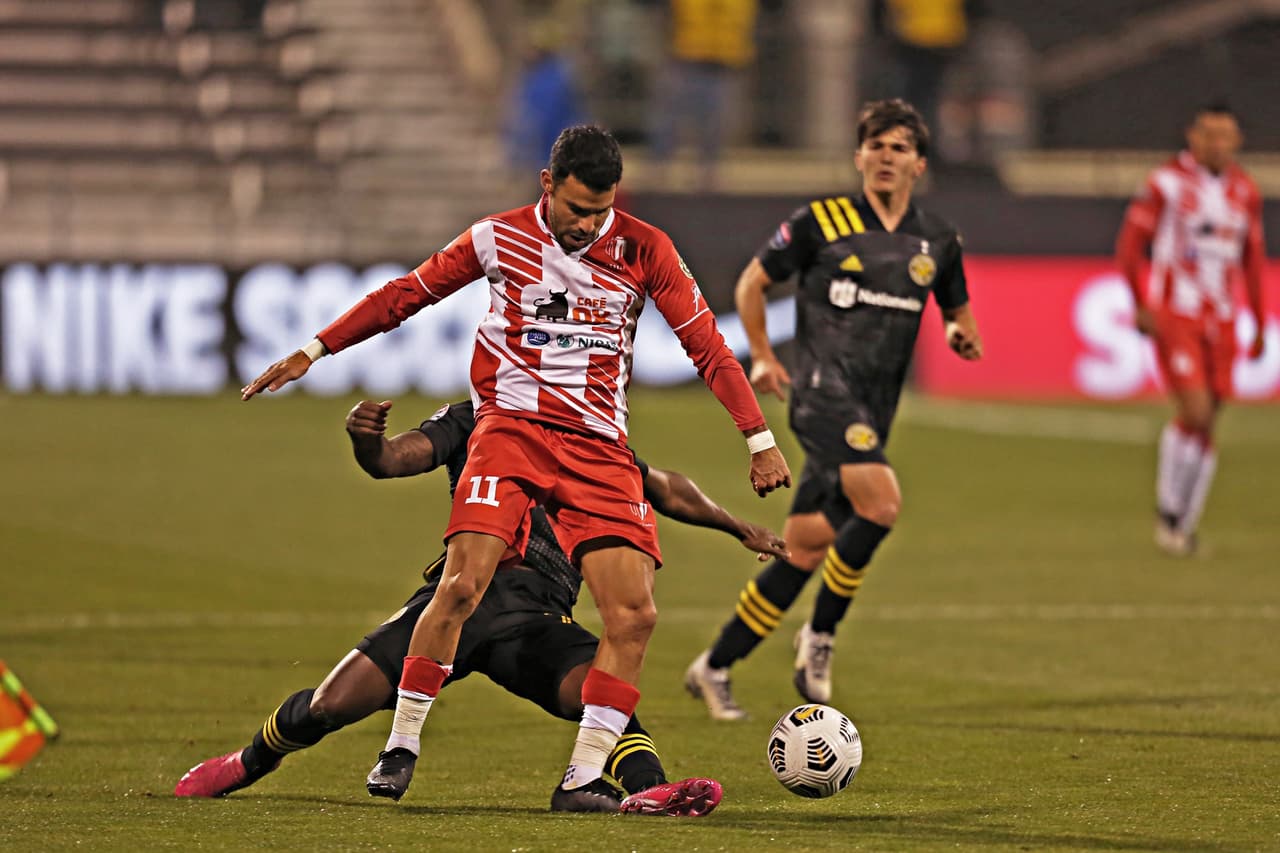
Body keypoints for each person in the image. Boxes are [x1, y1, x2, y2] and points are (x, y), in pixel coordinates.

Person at [241, 125, 791, 808]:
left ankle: (582, 778)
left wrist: (758, 439)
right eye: (577, 209)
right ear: (546, 184)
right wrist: (316, 349)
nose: (589, 225)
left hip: (598, 447)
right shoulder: (497, 238)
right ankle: (402, 743)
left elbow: (706, 346)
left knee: (634, 614)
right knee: (464, 581)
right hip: (512, 431)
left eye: (602, 211)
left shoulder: (645, 248)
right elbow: (406, 294)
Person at [175, 397, 788, 815]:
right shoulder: (478, 416)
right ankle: (248, 762)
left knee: (600, 694)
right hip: (459, 601)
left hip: (541, 615)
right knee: (333, 703)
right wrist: (369, 445)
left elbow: (658, 484)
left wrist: (739, 527)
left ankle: (646, 794)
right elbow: (395, 459)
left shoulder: (589, 419)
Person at [684, 99, 983, 720]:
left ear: (918, 164)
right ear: (858, 157)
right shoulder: (819, 221)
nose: (885, 156)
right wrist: (762, 355)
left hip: (874, 409)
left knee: (805, 548)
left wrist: (961, 333)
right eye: (875, 145)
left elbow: (957, 308)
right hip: (821, 392)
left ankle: (713, 666)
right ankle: (819, 637)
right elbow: (751, 283)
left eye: (899, 147)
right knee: (882, 505)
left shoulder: (939, 242)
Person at [1116, 103, 1267, 557]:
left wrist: (1258, 320)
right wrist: (1140, 303)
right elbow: (1129, 245)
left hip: (1221, 317)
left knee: (1209, 419)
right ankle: (1168, 507)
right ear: (1193, 137)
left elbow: (1253, 260)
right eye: (1209, 135)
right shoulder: (1165, 183)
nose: (1217, 144)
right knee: (1197, 411)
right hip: (1176, 314)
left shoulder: (1245, 191)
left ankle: (1183, 523)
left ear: (1237, 141)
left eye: (1226, 136)